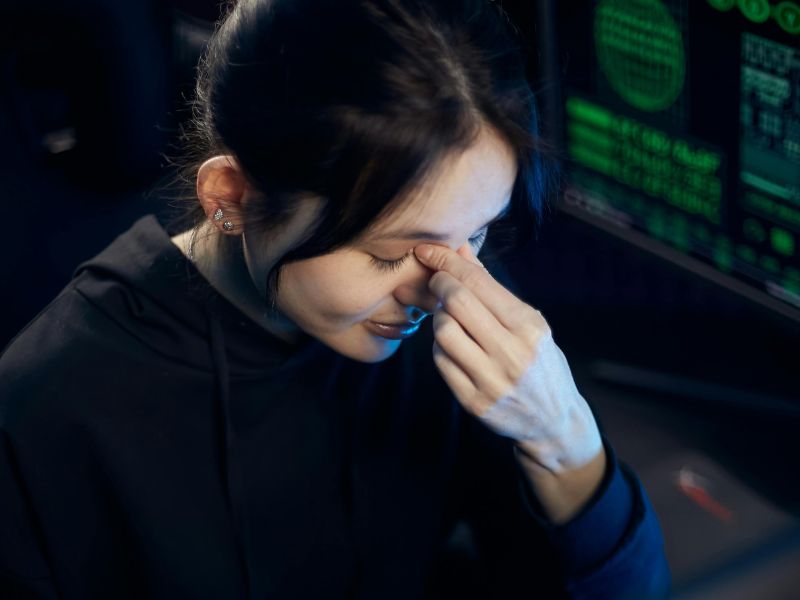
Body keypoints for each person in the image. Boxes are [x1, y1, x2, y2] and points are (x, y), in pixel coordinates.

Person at [0, 0, 670, 598]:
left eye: (477, 231)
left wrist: (566, 440)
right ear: (231, 198)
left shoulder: (449, 301)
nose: (439, 287)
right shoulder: (49, 409)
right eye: (387, 254)